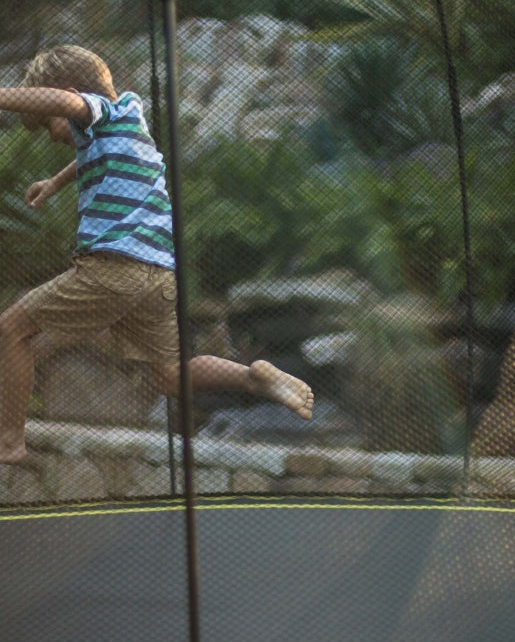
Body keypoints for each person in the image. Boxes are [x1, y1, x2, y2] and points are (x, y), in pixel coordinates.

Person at [0, 44, 313, 464]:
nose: (54, 133)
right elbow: (89, 154)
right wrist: (55, 183)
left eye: (51, 123)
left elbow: (63, 103)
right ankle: (253, 377)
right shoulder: (129, 118)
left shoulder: (94, 110)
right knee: (170, 375)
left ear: (73, 95)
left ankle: (9, 442)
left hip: (112, 267)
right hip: (158, 276)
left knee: (11, 330)